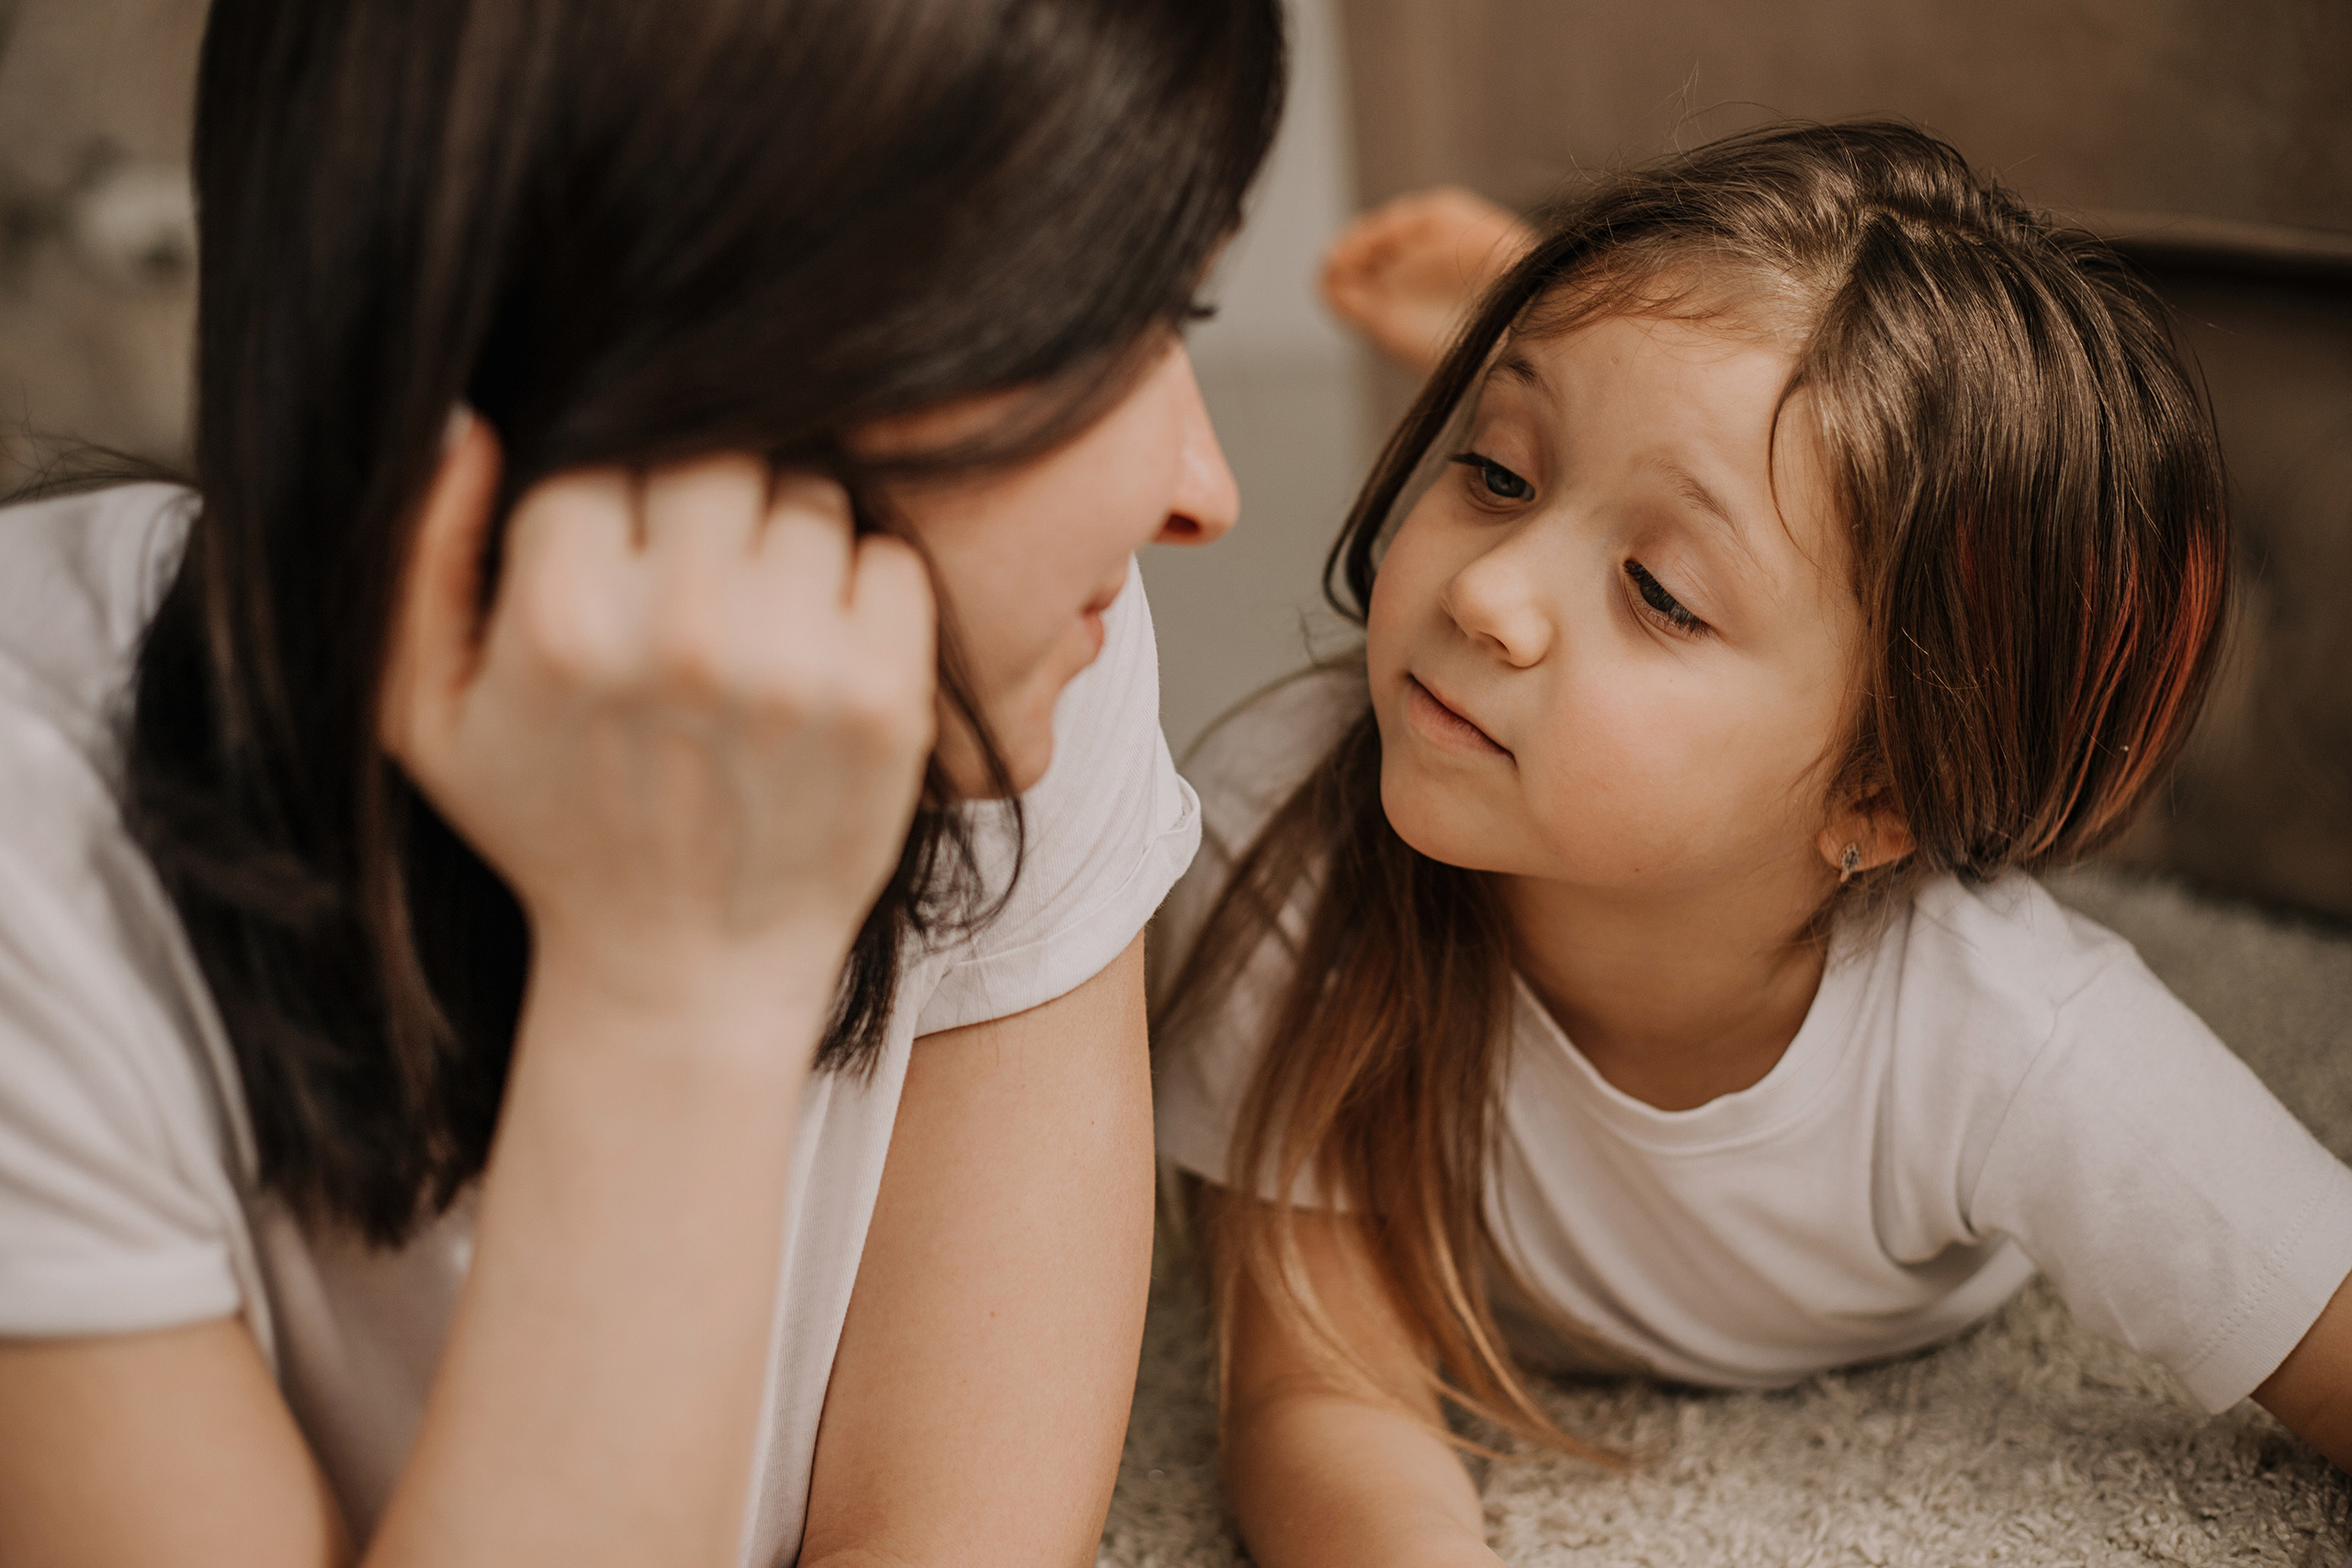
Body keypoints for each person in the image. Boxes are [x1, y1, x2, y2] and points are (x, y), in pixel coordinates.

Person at [0, 2, 1283, 1564]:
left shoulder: (1012, 648)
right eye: (1103, 332)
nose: (1200, 492)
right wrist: (676, 984)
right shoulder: (33, 856)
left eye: (1192, 317)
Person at [1150, 121, 2352, 1568]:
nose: (1488, 596)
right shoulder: (1278, 838)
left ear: (1881, 799)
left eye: (1658, 592)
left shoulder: (2016, 1030)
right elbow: (1322, 1388)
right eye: (1494, 472)